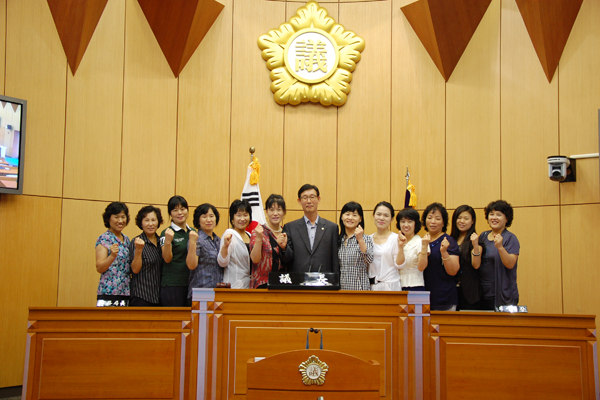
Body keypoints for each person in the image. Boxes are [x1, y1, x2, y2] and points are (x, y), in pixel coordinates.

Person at [283, 184, 339, 274]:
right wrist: (284, 248)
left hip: (324, 282)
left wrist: (336, 283)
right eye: (305, 198)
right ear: (299, 201)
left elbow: (335, 261)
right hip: (299, 282)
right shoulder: (290, 228)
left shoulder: (331, 228)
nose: (309, 201)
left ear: (318, 199)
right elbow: (286, 260)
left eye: (312, 197)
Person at [479, 200, 520, 310]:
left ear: (507, 219)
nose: (494, 217)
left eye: (499, 214)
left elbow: (510, 264)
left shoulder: (510, 238)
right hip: (484, 293)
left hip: (504, 294)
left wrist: (500, 247)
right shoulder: (483, 236)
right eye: (491, 214)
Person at [421, 202, 460, 311]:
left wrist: (444, 252)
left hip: (444, 298)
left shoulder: (448, 241)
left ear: (443, 223)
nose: (433, 222)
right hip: (424, 297)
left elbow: (453, 271)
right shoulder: (422, 241)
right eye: (430, 218)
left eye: (437, 218)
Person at [160, 196, 197, 307]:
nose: (180, 213)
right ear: (170, 214)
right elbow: (167, 258)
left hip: (191, 284)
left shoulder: (193, 232)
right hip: (173, 285)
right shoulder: (166, 233)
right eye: (175, 210)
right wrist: (167, 241)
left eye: (182, 209)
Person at [249, 194, 292, 288]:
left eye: (279, 209)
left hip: (283, 285)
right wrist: (259, 239)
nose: (275, 213)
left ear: (284, 213)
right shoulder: (258, 231)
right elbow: (255, 260)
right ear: (266, 212)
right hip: (262, 285)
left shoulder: (287, 233)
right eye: (272, 209)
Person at [95, 202, 131, 306]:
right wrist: (112, 256)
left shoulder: (127, 239)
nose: (120, 221)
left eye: (123, 217)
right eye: (116, 217)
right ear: (108, 219)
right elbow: (99, 267)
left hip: (125, 292)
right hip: (108, 293)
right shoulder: (104, 239)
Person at [186, 203, 222, 302]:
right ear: (198, 220)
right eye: (204, 216)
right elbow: (191, 265)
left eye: (211, 216)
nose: (209, 220)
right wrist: (193, 242)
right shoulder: (196, 239)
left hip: (218, 293)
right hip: (200, 292)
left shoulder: (219, 240)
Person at [450, 205, 484, 310]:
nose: (462, 221)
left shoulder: (476, 240)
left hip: (470, 293)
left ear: (472, 221)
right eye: (459, 218)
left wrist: (475, 246)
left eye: (466, 218)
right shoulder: (451, 239)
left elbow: (476, 264)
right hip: (453, 291)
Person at [129, 205, 164, 307]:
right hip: (141, 296)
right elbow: (134, 269)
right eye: (146, 220)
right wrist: (139, 250)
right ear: (141, 223)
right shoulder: (136, 241)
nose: (150, 224)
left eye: (153, 220)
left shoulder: (161, 241)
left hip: (159, 296)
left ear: (158, 222)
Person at [338, 201, 373, 290]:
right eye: (347, 214)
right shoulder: (337, 239)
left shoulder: (366, 238)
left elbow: (369, 260)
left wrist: (360, 239)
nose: (350, 218)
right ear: (342, 217)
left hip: (360, 288)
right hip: (340, 289)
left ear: (360, 219)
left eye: (354, 215)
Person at [369, 201, 403, 291]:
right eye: (378, 214)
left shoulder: (396, 238)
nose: (381, 218)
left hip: (391, 287)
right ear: (373, 216)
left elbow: (400, 265)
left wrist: (401, 247)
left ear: (392, 219)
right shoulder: (368, 239)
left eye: (386, 215)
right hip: (372, 287)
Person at [218, 199, 252, 289]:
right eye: (238, 215)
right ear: (232, 218)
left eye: (245, 215)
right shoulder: (229, 234)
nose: (242, 219)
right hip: (234, 286)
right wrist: (225, 246)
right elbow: (222, 262)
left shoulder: (250, 235)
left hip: (249, 286)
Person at [396, 208, 427, 291]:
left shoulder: (421, 242)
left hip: (416, 286)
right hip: (398, 286)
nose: (406, 225)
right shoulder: (396, 241)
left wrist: (424, 247)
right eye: (402, 221)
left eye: (410, 221)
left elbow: (421, 267)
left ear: (415, 223)